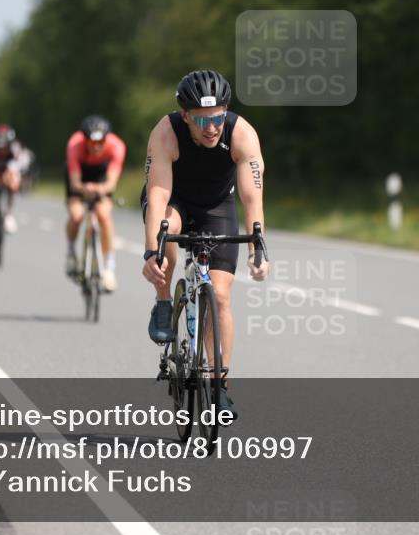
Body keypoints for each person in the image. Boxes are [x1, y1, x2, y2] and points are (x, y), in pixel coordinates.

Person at [140, 69, 269, 418]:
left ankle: (218, 384)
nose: (212, 127)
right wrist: (152, 250)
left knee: (222, 296)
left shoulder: (241, 133)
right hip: (175, 200)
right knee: (167, 230)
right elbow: (157, 194)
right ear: (185, 115)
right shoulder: (166, 133)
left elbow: (251, 197)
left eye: (217, 117)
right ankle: (164, 300)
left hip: (217, 206)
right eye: (202, 120)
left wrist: (258, 245)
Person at [64, 115, 126, 291]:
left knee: (104, 215)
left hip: (101, 174)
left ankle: (109, 268)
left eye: (100, 142)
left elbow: (111, 182)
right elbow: (75, 182)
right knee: (76, 215)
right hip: (80, 174)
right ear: (85, 140)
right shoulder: (74, 145)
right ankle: (70, 252)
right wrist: (84, 189)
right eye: (92, 143)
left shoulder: (117, 147)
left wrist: (100, 189)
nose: (96, 146)